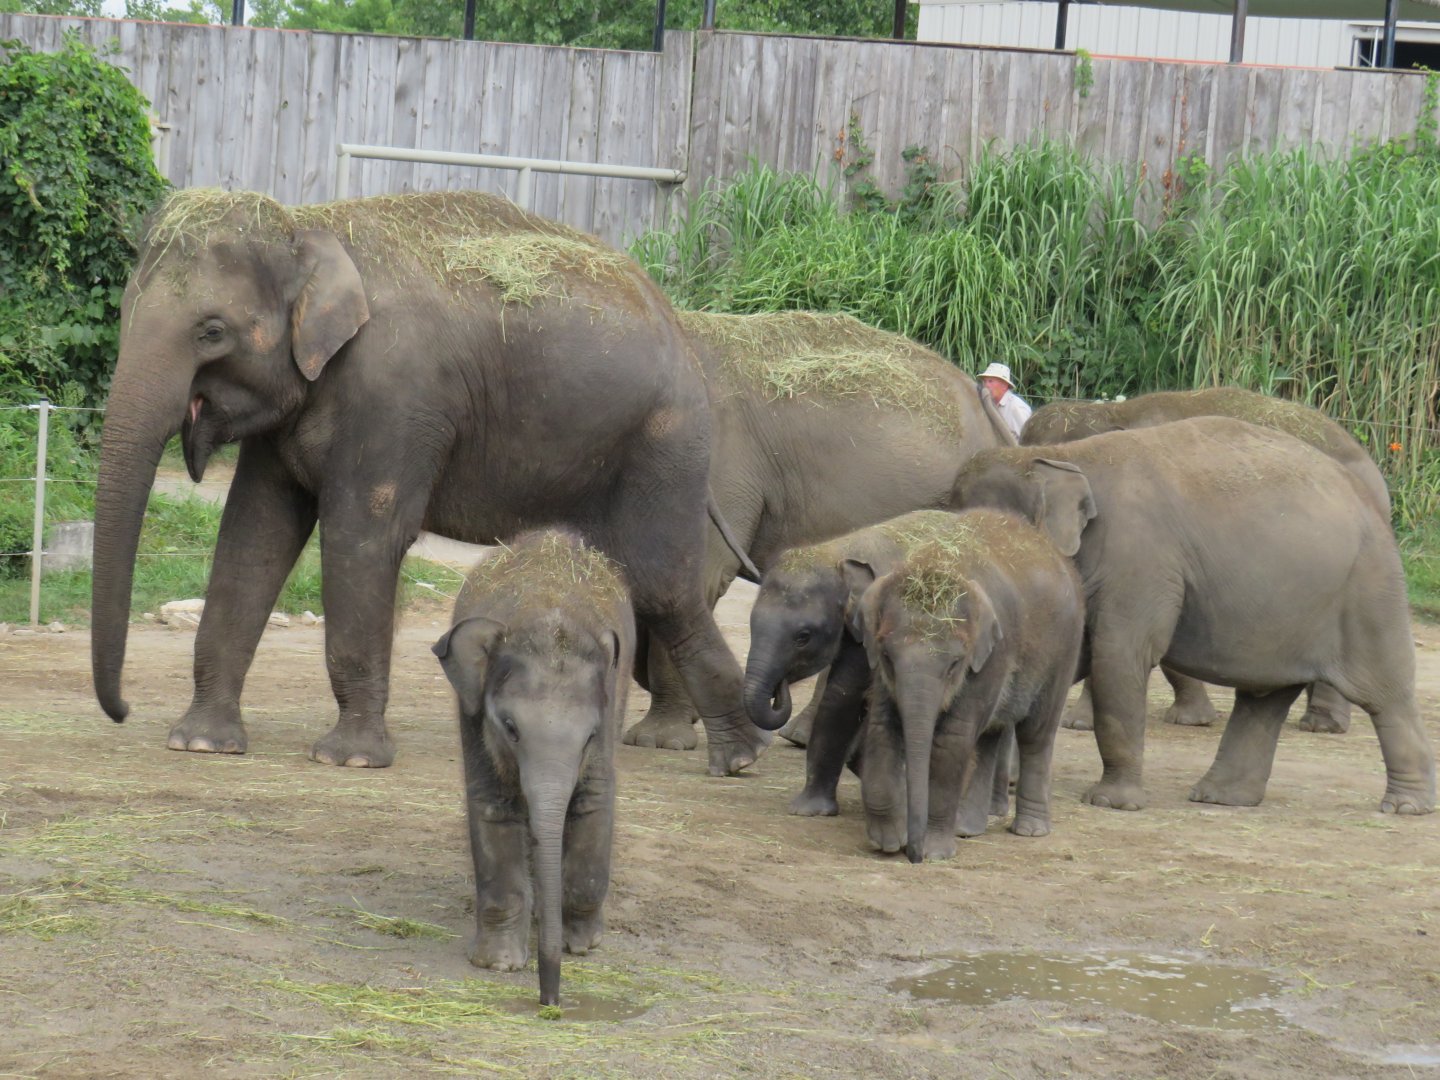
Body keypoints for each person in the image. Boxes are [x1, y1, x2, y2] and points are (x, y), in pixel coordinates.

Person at [977, 362, 1032, 440]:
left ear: (1004, 385)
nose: (986, 385)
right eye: (985, 381)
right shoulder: (988, 404)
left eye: (990, 381)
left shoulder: (1016, 407)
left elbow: (1027, 440)